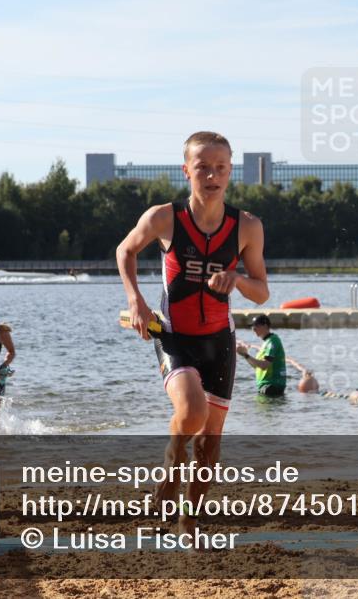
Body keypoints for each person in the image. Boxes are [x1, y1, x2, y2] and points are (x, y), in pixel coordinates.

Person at [116, 131, 269, 541]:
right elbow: (125, 251)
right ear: (187, 171)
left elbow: (262, 291)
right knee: (192, 412)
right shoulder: (164, 218)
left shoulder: (247, 227)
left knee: (209, 441)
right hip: (175, 336)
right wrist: (136, 301)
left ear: (230, 172)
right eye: (202, 167)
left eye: (220, 167)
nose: (212, 175)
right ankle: (170, 464)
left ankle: (189, 518)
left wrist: (236, 279)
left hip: (219, 341)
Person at [236, 314, 287, 397]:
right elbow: (257, 366)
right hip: (267, 386)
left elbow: (264, 365)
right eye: (252, 326)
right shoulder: (266, 342)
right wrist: (245, 355)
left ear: (265, 326)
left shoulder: (272, 341)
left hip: (271, 386)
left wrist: (246, 355)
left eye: (256, 326)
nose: (253, 329)